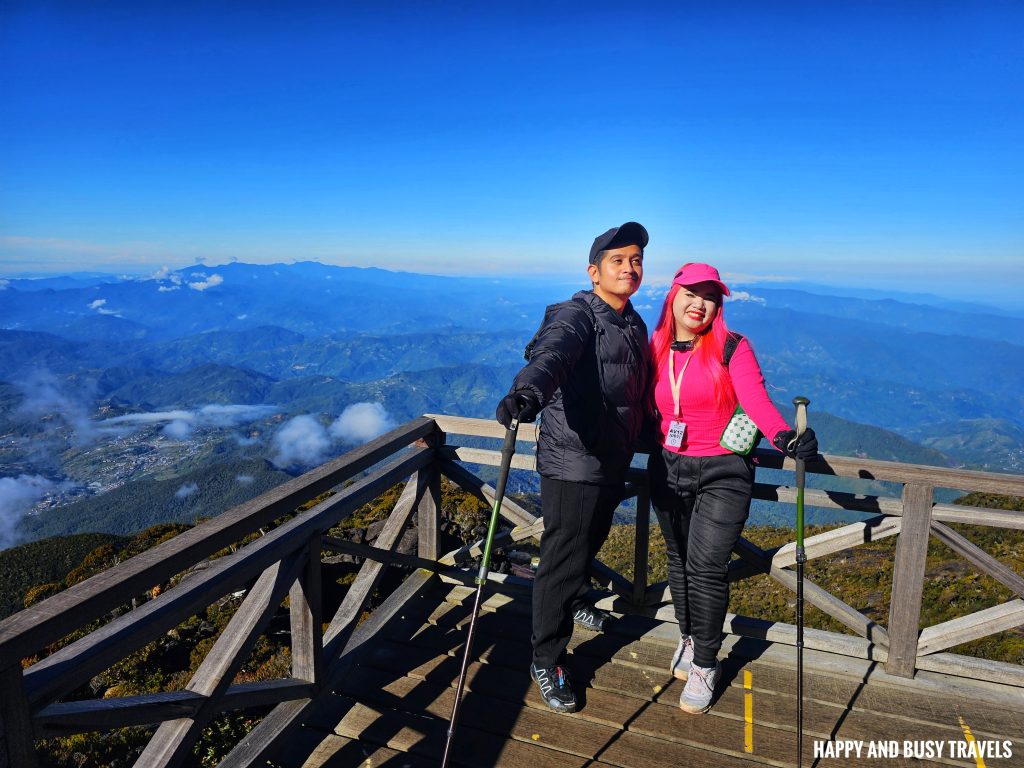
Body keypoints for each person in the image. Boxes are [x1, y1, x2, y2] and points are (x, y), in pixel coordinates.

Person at [495, 221, 653, 714]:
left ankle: (578, 599)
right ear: (594, 271)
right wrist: (528, 393)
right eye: (617, 260)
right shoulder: (577, 313)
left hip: (610, 458)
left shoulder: (631, 322)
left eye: (636, 260)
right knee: (562, 558)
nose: (629, 268)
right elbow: (553, 355)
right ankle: (546, 657)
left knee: (589, 540)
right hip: (572, 462)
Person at [648, 262, 818, 714]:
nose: (699, 304)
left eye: (709, 296)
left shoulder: (731, 346)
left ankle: (706, 662)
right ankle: (687, 639)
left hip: (724, 471)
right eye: (691, 293)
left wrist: (785, 437)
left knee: (705, 566)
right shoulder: (658, 345)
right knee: (678, 560)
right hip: (668, 466)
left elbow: (756, 399)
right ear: (674, 295)